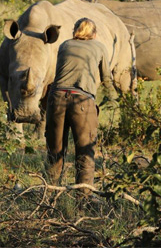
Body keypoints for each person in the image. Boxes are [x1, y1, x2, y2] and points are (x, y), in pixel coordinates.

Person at [45, 17, 117, 196]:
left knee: (55, 151)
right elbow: (106, 78)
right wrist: (114, 98)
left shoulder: (65, 45)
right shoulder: (99, 46)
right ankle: (84, 198)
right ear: (94, 34)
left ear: (75, 31)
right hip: (82, 101)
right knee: (85, 153)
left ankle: (49, 196)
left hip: (57, 99)